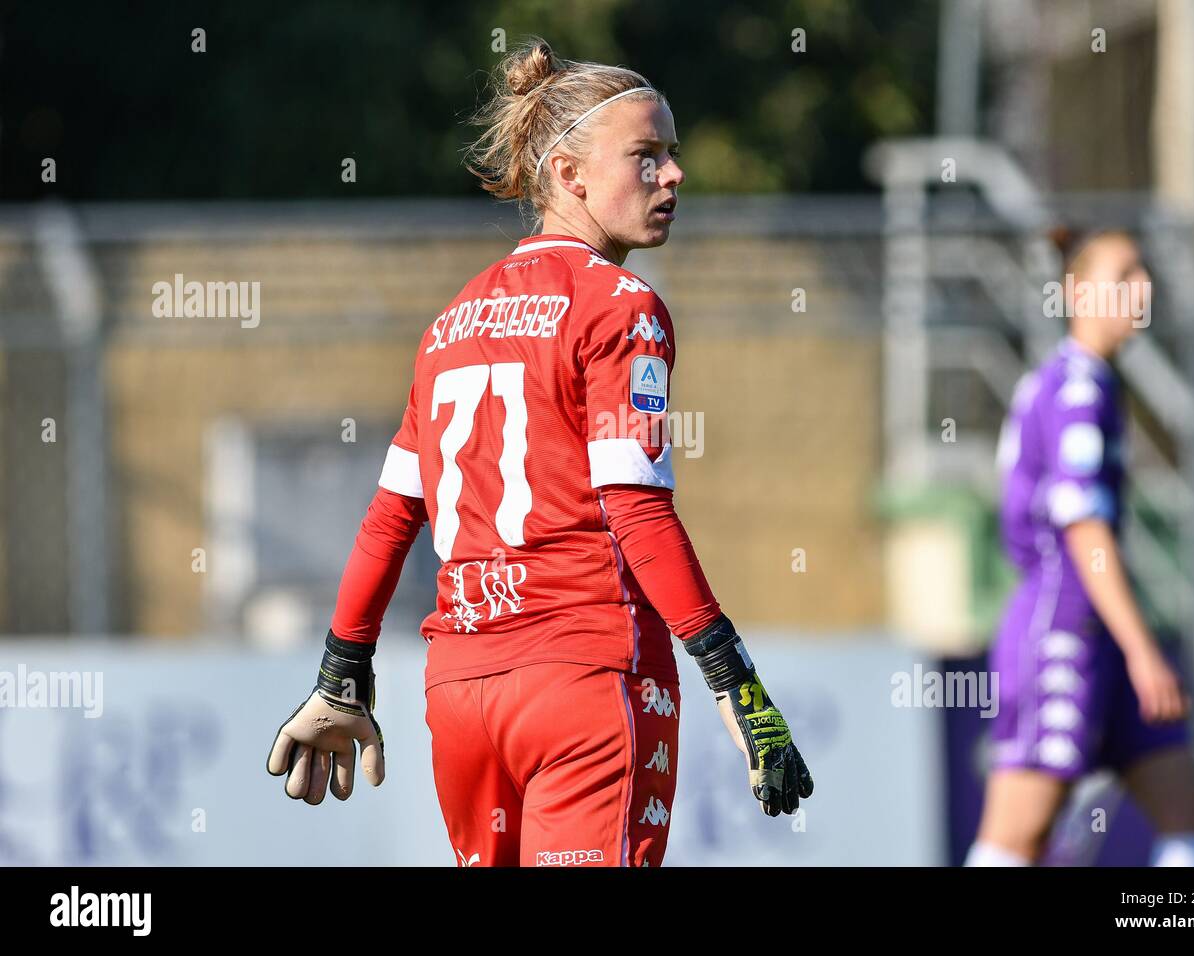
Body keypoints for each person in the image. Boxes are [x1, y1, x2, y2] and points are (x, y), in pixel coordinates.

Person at [266, 38, 812, 867]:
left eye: (673, 155)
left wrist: (343, 672)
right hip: (587, 678)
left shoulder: (450, 321)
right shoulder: (622, 306)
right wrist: (733, 677)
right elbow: (633, 509)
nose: (674, 176)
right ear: (568, 174)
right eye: (647, 155)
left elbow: (389, 518)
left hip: (461, 693)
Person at [967, 230, 1194, 867]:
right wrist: (1141, 649)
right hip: (1063, 623)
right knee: (1018, 836)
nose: (1144, 289)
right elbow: (1082, 528)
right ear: (1077, 293)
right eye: (1125, 275)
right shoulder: (1077, 388)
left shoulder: (1088, 381)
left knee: (1191, 814)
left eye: (1145, 273)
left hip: (1099, 625)